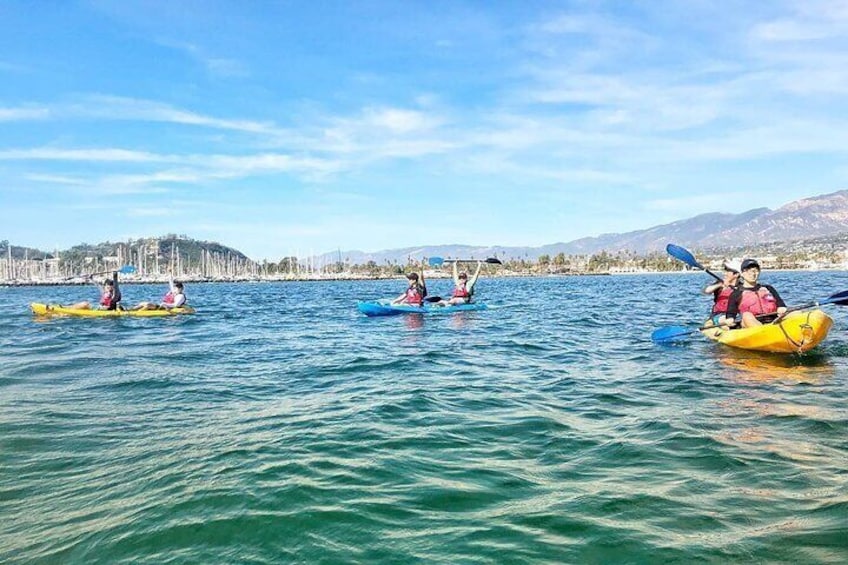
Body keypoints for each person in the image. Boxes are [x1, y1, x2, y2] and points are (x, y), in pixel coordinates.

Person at [723, 258, 787, 328]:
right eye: (748, 271)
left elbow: (781, 305)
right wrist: (730, 320)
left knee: (795, 313)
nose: (753, 274)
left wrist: (782, 309)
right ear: (742, 273)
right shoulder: (736, 293)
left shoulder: (768, 288)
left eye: (756, 271)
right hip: (750, 324)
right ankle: (764, 332)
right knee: (747, 315)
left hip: (773, 320)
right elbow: (730, 315)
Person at [702, 259, 741, 327]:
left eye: (728, 271)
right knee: (708, 324)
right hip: (717, 314)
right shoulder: (719, 284)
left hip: (734, 315)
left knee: (729, 321)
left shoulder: (742, 287)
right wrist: (720, 285)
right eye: (725, 270)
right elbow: (706, 291)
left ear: (736, 274)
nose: (724, 273)